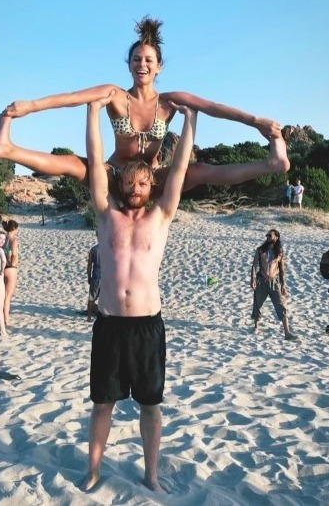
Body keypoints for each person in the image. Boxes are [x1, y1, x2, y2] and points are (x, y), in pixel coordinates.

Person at [0, 16, 290, 200]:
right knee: (72, 164)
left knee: (199, 171)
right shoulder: (115, 95)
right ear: (129, 64)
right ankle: (7, 148)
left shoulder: (170, 100)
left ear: (159, 67)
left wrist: (255, 121)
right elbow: (72, 97)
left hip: (153, 178)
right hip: (117, 174)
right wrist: (30, 106)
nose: (141, 64)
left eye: (148, 60)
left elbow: (213, 107)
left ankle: (272, 165)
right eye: (136, 59)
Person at [82, 93, 196, 492]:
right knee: (103, 404)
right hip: (110, 324)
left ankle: (151, 475)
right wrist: (94, 113)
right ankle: (93, 471)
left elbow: (180, 166)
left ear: (152, 185)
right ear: (120, 183)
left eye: (143, 182)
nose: (135, 187)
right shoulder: (106, 214)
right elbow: (96, 162)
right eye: (129, 181)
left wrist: (190, 120)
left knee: (151, 405)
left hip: (148, 326)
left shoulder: (161, 216)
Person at [250, 229, 297, 341]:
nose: (268, 238)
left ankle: (287, 332)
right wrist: (253, 279)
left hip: (274, 282)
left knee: (281, 305)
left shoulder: (279, 252)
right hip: (262, 281)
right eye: (267, 236)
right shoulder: (261, 250)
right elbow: (254, 265)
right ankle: (256, 326)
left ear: (276, 237)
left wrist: (283, 285)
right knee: (257, 304)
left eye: (270, 236)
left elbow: (282, 270)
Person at [2, 219, 19, 326]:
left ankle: (1, 315)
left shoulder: (3, 239)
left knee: (2, 296)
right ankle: (6, 319)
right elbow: (13, 255)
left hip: (3, 268)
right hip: (11, 269)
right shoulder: (13, 240)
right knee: (8, 297)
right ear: (14, 229)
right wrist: (13, 263)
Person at [86, 234, 101, 322]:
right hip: (106, 277)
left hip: (96, 276)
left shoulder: (94, 249)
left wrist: (89, 276)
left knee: (92, 297)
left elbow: (89, 266)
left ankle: (89, 317)